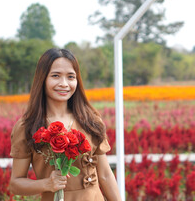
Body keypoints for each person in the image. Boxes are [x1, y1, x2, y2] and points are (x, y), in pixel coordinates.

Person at [9, 48, 121, 201]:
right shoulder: (27, 126)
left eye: (70, 77)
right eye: (55, 76)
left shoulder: (90, 121)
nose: (64, 84)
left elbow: (106, 176)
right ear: (43, 79)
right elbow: (15, 184)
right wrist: (47, 184)